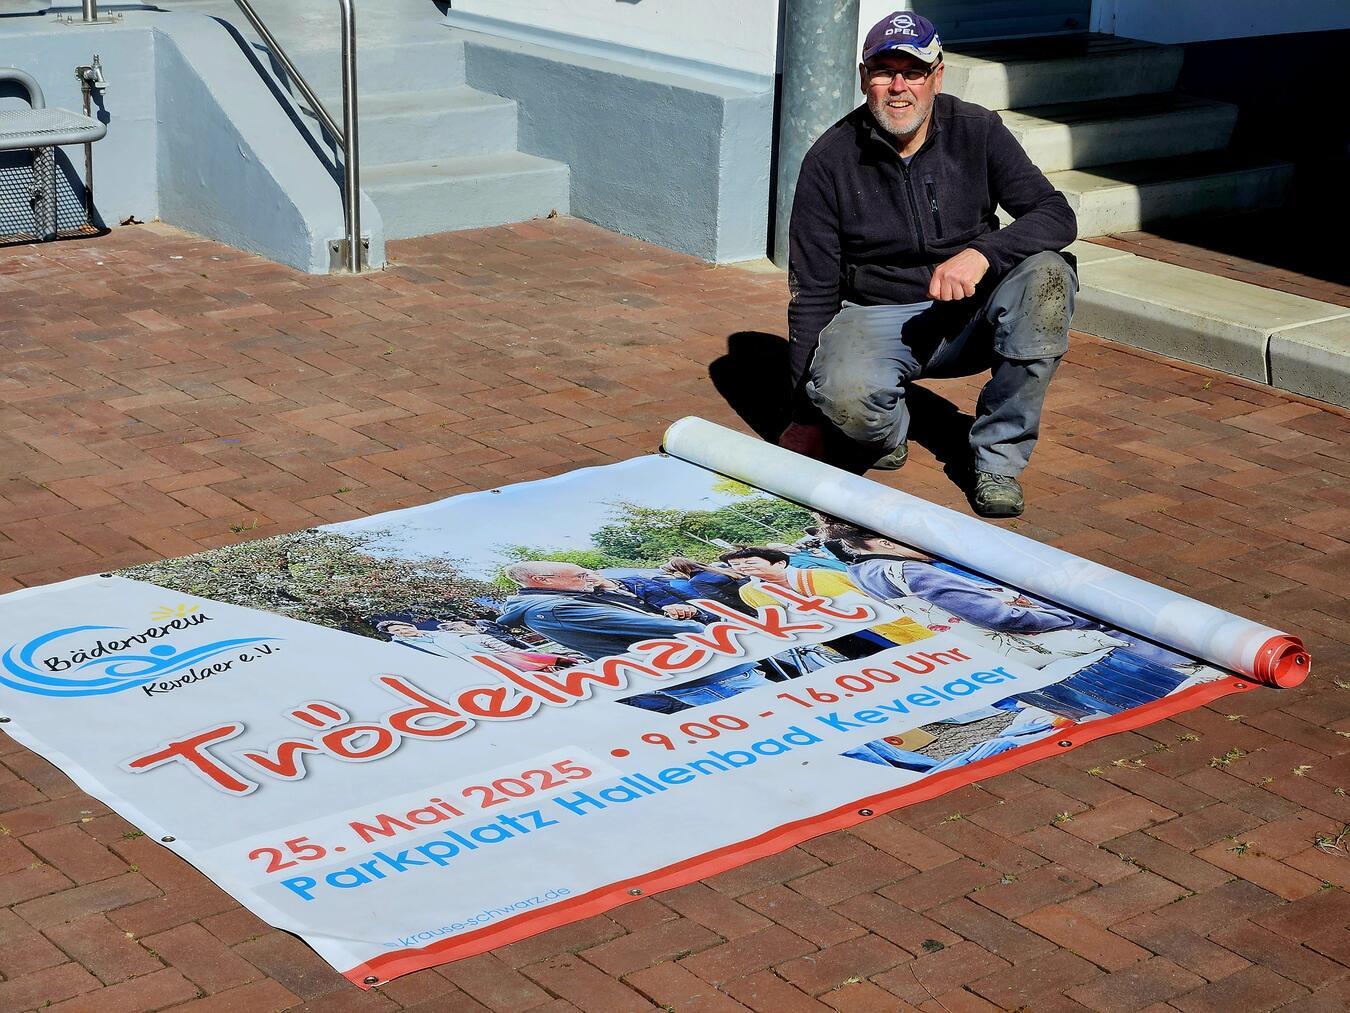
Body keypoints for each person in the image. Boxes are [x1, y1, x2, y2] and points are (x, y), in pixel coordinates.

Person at [781, 11, 1078, 518]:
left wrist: (983, 253)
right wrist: (806, 409)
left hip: (972, 312)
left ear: (936, 77)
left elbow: (1056, 215)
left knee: (1049, 274)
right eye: (883, 71)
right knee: (845, 400)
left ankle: (997, 461)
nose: (898, 88)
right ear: (863, 78)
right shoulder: (828, 160)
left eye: (913, 72)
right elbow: (812, 292)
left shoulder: (977, 129)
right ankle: (888, 429)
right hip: (880, 313)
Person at [497, 561, 772, 707]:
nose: (588, 579)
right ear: (543, 581)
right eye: (580, 576)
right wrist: (699, 626)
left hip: (698, 671)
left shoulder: (560, 602)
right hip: (702, 674)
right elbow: (673, 628)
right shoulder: (558, 608)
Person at [719, 546, 932, 647]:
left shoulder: (820, 575)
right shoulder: (748, 592)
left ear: (780, 563)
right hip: (840, 637)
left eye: (750, 562)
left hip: (887, 623)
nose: (744, 568)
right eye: (736, 566)